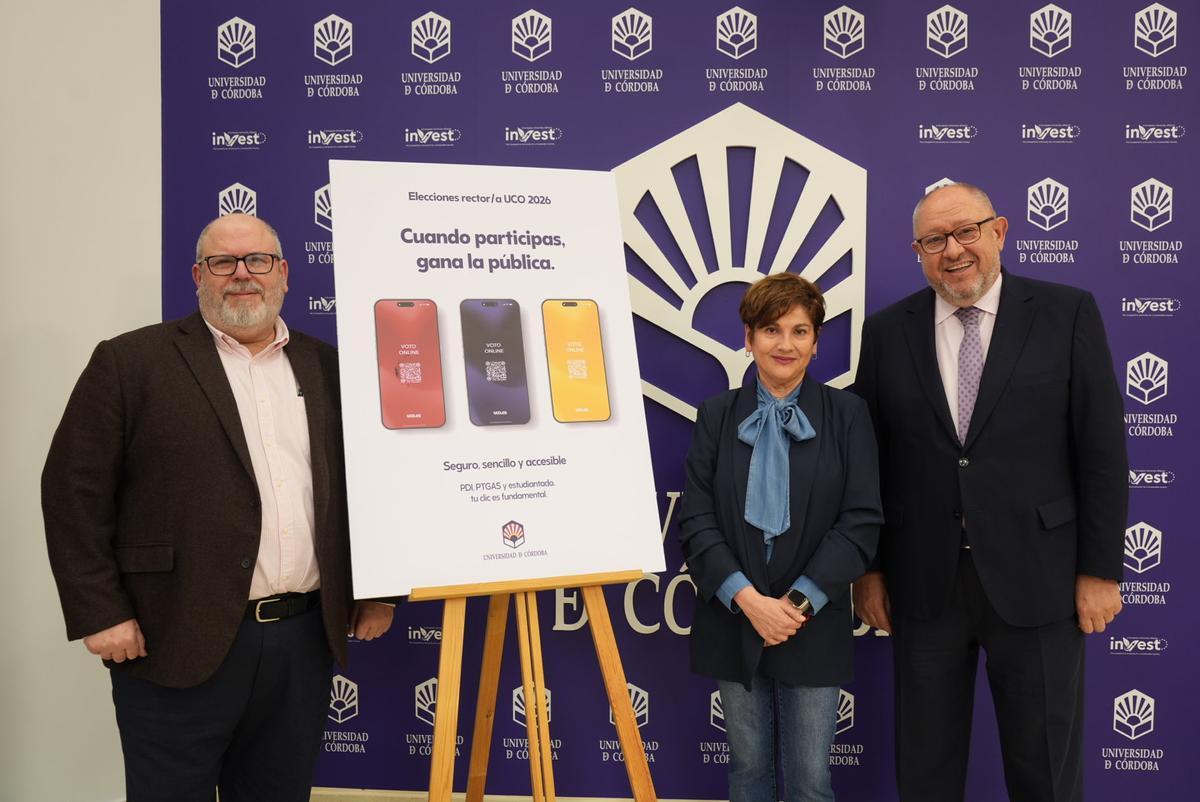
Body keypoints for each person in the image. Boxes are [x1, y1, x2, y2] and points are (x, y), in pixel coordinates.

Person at [42, 213, 395, 802]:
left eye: (257, 261)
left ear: (282, 273)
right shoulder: (130, 363)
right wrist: (99, 611)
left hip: (301, 642)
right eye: (222, 263)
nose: (241, 276)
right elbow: (72, 493)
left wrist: (378, 589)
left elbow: (374, 483)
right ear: (197, 276)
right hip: (173, 635)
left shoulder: (330, 367)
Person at [852, 182, 1127, 802]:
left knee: (1046, 774)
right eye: (934, 239)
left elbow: (1103, 453)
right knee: (926, 773)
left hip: (1042, 581)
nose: (952, 250)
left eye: (966, 231)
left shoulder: (1067, 312)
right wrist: (868, 571)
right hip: (924, 586)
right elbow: (870, 462)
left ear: (999, 231)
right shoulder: (887, 332)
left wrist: (1100, 571)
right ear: (918, 251)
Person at [679, 273, 883, 802]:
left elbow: (860, 521)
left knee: (811, 782)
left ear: (816, 343)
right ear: (748, 339)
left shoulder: (848, 414)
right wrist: (749, 601)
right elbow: (697, 518)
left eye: (800, 331)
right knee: (747, 774)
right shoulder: (717, 414)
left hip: (811, 619)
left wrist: (793, 605)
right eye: (771, 330)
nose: (785, 345)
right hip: (735, 614)